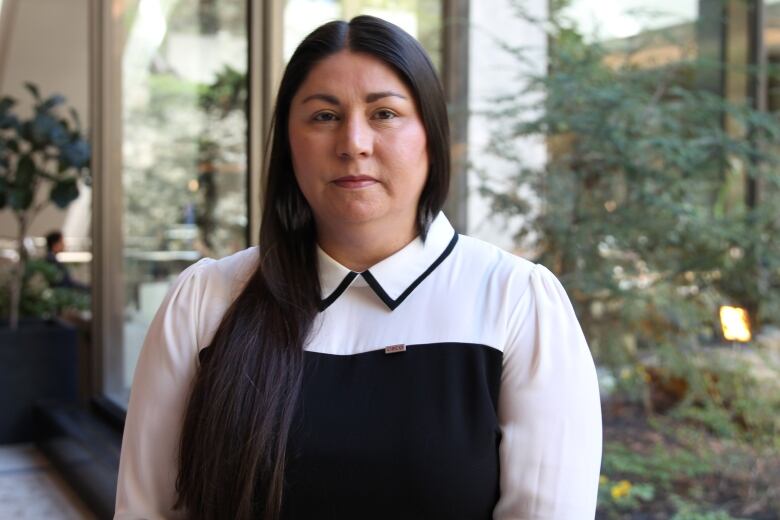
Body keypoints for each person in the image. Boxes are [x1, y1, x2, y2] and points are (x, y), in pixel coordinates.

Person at [115, 15, 602, 520]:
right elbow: (146, 509)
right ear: (288, 144)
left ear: (431, 136)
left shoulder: (515, 301)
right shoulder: (206, 299)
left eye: (384, 114)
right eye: (324, 116)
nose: (354, 143)